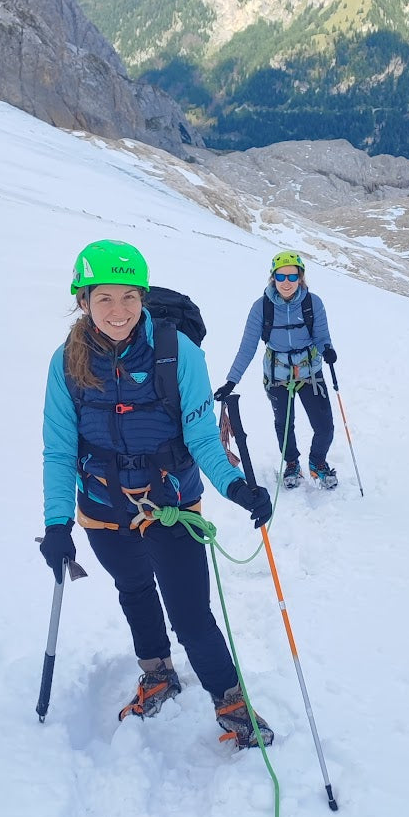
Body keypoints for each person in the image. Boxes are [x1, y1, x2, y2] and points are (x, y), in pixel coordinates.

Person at [38, 239, 275, 749]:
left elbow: (202, 438)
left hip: (170, 508)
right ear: (83, 301)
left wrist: (237, 488)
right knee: (135, 592)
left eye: (129, 297)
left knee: (191, 614)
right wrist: (57, 525)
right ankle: (158, 673)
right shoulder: (66, 364)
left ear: (143, 297)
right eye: (104, 298)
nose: (118, 311)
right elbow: (58, 452)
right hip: (102, 511)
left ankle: (231, 701)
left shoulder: (177, 353)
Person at [213, 250, 339, 491]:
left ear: (301, 277)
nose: (287, 283)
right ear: (273, 278)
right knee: (284, 423)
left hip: (310, 373)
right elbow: (248, 346)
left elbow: (322, 337)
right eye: (281, 277)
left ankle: (317, 462)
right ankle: (291, 463)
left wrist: (327, 350)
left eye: (292, 277)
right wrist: (231, 381)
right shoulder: (262, 307)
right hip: (276, 375)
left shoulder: (313, 303)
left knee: (325, 427)